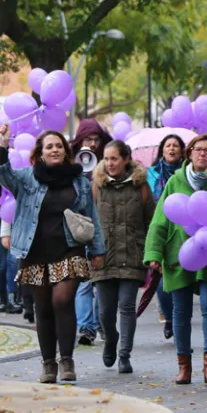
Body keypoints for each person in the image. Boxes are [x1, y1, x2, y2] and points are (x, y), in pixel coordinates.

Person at [0, 125, 106, 384]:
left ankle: (66, 359)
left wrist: (97, 249)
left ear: (66, 152)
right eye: (49, 146)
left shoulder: (79, 181)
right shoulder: (26, 177)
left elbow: (92, 217)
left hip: (70, 249)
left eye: (59, 146)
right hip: (34, 252)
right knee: (42, 308)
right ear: (40, 153)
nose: (54, 150)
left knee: (62, 301)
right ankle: (48, 364)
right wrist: (2, 146)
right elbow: (0, 174)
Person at [145, 134, 207, 385]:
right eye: (197, 149)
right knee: (180, 312)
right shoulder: (175, 181)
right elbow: (160, 220)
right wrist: (153, 253)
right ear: (190, 153)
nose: (202, 154)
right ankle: (184, 366)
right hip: (179, 254)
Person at [92, 141, 156, 374]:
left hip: (133, 255)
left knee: (127, 307)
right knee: (105, 312)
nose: (109, 163)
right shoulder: (96, 186)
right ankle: (111, 339)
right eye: (106, 159)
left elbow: (152, 221)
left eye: (114, 159)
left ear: (126, 159)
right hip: (103, 257)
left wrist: (151, 253)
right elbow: (87, 220)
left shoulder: (141, 186)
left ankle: (124, 355)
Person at [70, 118, 112, 345]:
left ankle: (99, 323)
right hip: (78, 227)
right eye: (88, 139)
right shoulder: (70, 162)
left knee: (101, 281)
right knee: (84, 281)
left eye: (97, 139)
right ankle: (86, 327)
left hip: (103, 228)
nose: (93, 144)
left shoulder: (108, 162)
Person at [147, 134, 185, 340]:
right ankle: (169, 318)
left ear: (181, 151)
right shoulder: (150, 174)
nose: (171, 149)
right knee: (161, 280)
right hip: (160, 228)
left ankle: (179, 319)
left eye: (175, 146)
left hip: (182, 230)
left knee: (179, 278)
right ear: (162, 150)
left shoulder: (187, 174)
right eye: (168, 145)